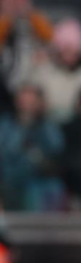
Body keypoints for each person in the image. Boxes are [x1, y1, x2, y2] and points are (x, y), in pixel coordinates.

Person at [0, 84, 65, 212]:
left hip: (40, 176)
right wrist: (22, 130)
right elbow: (5, 150)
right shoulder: (7, 123)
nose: (27, 105)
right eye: (24, 101)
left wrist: (41, 121)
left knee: (54, 187)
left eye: (31, 101)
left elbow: (57, 147)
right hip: (11, 176)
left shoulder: (46, 124)